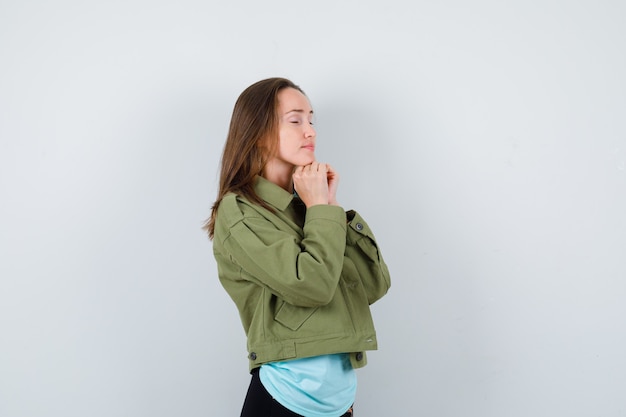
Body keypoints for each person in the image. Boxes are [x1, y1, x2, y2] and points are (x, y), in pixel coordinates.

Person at [205, 77, 391, 417]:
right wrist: (320, 209)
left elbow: (372, 286)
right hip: (285, 401)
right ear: (257, 131)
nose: (311, 131)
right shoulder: (239, 210)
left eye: (311, 119)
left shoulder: (308, 207)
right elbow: (311, 286)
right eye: (295, 120)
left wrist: (329, 206)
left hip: (339, 403)